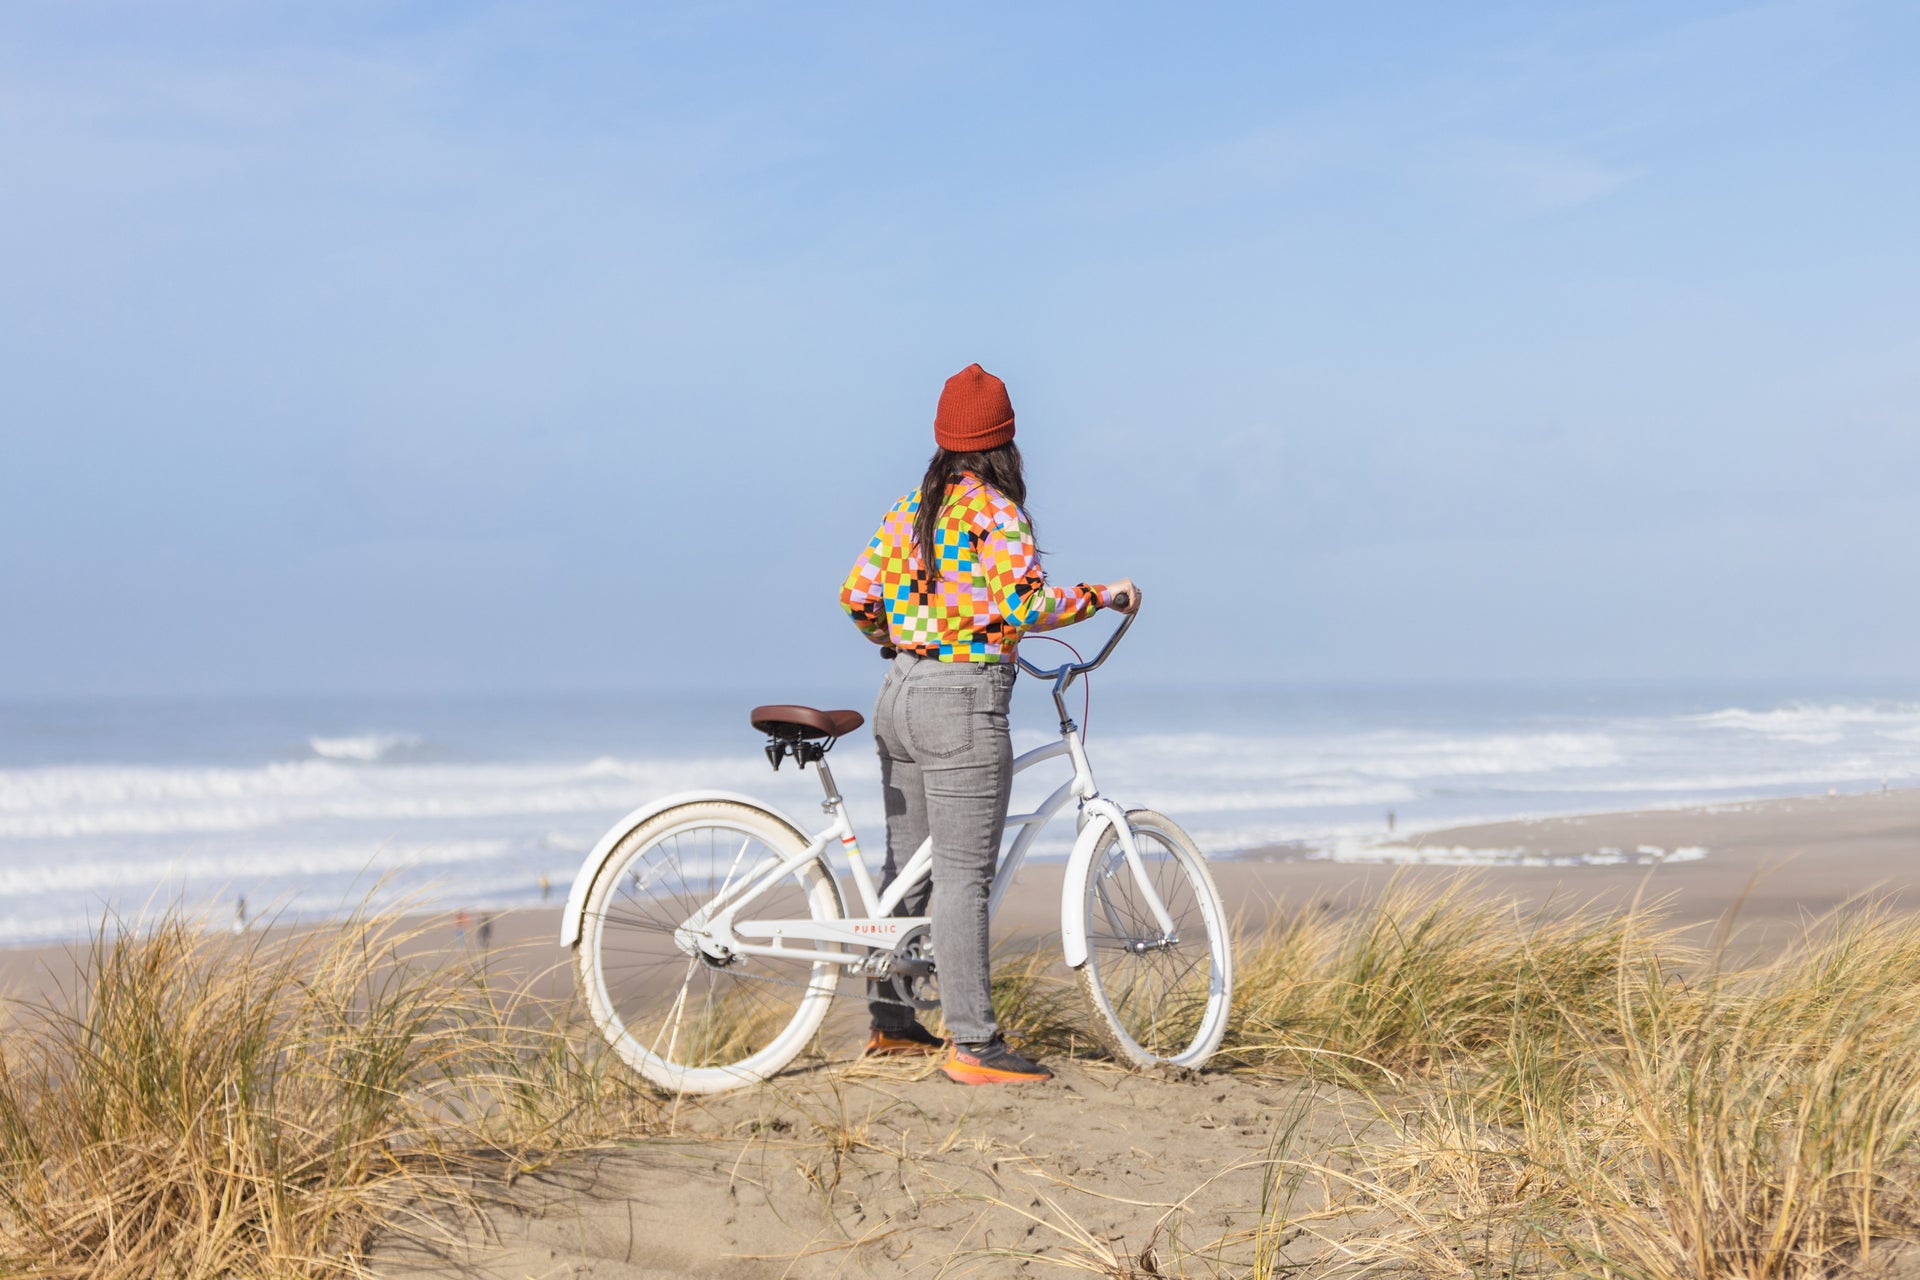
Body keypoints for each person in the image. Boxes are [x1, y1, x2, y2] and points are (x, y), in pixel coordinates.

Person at [839, 363, 1138, 1085]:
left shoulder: (915, 505)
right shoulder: (995, 510)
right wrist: (1103, 595)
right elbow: (1026, 604)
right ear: (1005, 439)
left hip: (898, 692)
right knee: (964, 877)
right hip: (961, 700)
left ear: (945, 436)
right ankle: (973, 1043)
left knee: (905, 866)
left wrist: (900, 635)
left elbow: (856, 594)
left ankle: (893, 1022)